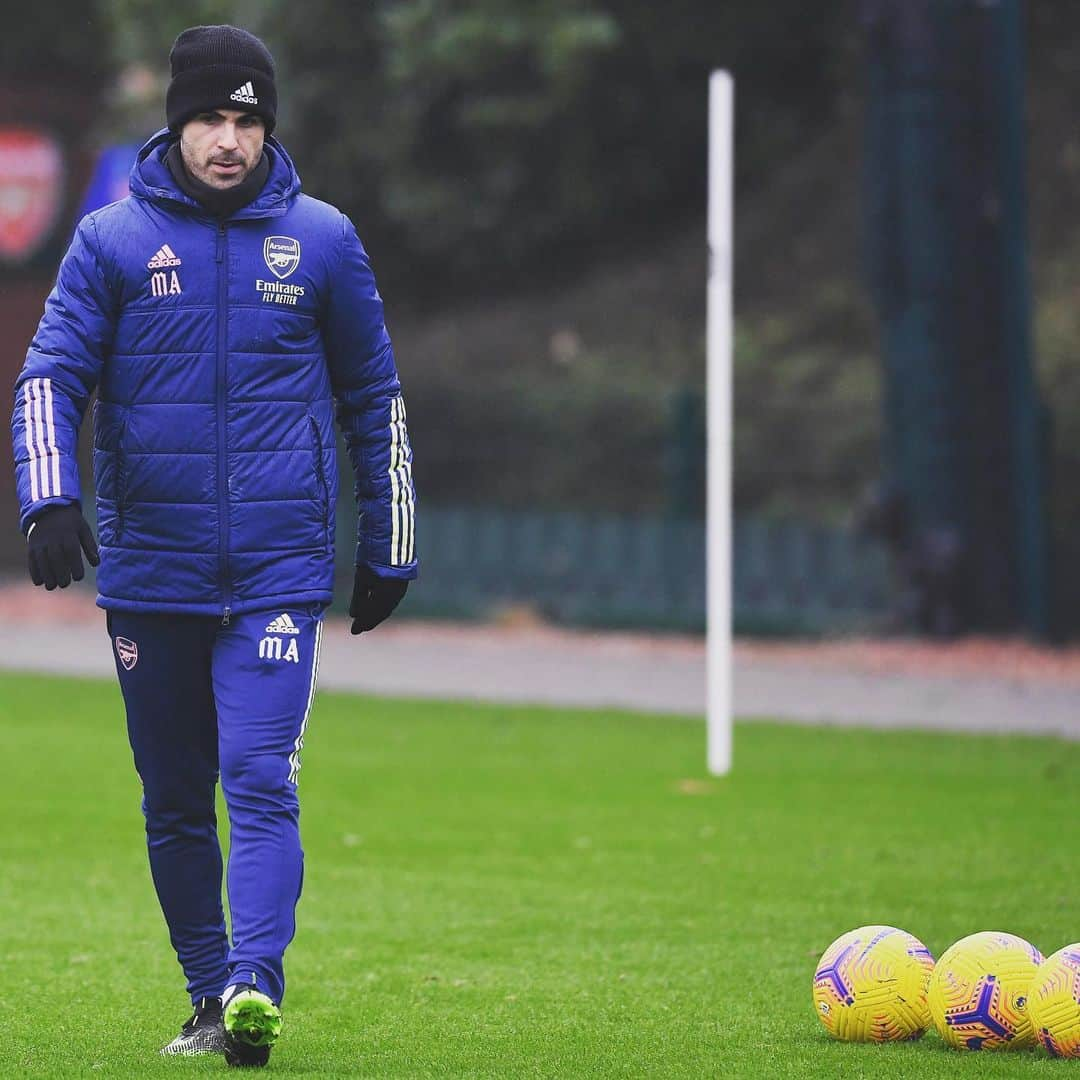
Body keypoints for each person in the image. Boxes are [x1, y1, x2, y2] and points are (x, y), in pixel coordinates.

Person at [10, 25, 417, 1067]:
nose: (229, 140)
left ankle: (254, 984)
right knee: (177, 798)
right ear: (178, 124)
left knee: (261, 775)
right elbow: (49, 377)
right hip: (153, 571)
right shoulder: (110, 240)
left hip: (279, 570)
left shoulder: (322, 240)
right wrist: (48, 498)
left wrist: (390, 539)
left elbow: (374, 396)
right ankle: (208, 993)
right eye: (210, 119)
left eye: (247, 119)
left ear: (267, 127)